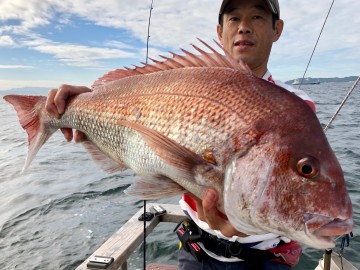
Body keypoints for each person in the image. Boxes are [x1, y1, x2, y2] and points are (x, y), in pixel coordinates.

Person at [46, 0, 315, 269]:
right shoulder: (186, 81)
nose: (244, 27)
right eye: (234, 19)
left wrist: (249, 223)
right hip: (193, 248)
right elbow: (146, 147)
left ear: (277, 29)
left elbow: (292, 189)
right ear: (219, 31)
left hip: (265, 260)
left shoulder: (296, 108)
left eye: (257, 17)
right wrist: (85, 104)